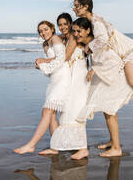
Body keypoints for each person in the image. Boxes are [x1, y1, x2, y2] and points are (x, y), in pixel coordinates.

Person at [72, 0, 133, 128]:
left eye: (76, 6)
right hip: (121, 52)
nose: (74, 9)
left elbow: (102, 40)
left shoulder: (95, 22)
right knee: (127, 79)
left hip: (128, 50)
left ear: (86, 7)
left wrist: (88, 48)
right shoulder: (92, 20)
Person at [73, 17, 133, 157]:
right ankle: (113, 141)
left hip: (112, 79)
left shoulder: (97, 45)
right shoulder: (90, 45)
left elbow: (114, 61)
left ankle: (116, 148)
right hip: (105, 79)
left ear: (88, 30)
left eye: (79, 31)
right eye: (74, 31)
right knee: (109, 112)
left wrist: (95, 70)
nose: (76, 34)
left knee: (109, 112)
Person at [37, 13, 90, 160]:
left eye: (65, 24)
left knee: (76, 110)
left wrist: (44, 61)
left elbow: (65, 57)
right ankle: (59, 145)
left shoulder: (73, 36)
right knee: (66, 112)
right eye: (60, 24)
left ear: (70, 24)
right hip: (69, 75)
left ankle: (83, 148)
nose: (63, 27)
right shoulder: (62, 38)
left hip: (79, 73)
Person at [14, 20, 71, 154]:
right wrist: (41, 65)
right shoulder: (45, 44)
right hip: (54, 79)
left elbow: (61, 58)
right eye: (40, 31)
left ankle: (31, 145)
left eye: (45, 29)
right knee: (50, 114)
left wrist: (43, 62)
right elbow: (51, 66)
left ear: (52, 29)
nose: (43, 33)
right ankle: (56, 147)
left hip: (63, 78)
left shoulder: (56, 38)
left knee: (47, 111)